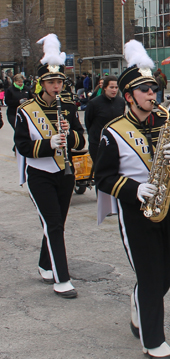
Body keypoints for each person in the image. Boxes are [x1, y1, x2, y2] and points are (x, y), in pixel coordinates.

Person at [95, 40, 170, 358]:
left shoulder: (167, 122)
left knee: (169, 274)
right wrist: (133, 189)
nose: (153, 95)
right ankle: (153, 341)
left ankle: (139, 297)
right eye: (145, 91)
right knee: (152, 275)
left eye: (154, 89)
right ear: (129, 96)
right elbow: (103, 178)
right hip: (136, 210)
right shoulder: (113, 133)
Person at [14, 34, 85, 299]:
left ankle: (46, 264)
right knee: (53, 222)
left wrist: (68, 137)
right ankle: (61, 278)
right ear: (41, 84)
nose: (56, 87)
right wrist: (48, 143)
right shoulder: (26, 109)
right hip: (40, 173)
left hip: (65, 173)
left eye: (59, 82)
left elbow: (80, 139)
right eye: (51, 82)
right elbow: (21, 146)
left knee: (56, 222)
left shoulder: (67, 106)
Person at [84, 76, 125, 162]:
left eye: (116, 87)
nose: (114, 90)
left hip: (116, 142)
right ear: (105, 88)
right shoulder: (94, 103)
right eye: (111, 87)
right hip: (98, 143)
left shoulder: (120, 101)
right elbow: (88, 121)